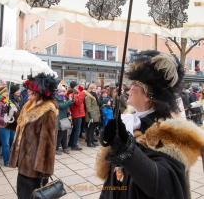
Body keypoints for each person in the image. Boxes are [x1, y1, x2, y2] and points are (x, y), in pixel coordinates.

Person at [96, 50, 200, 199]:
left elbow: (164, 185)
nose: (129, 87)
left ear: (147, 95)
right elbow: (112, 179)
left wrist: (127, 148)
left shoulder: (171, 133)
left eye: (134, 85)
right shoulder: (128, 119)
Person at [8, 73, 58, 199]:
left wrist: (44, 171)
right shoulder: (28, 106)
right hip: (24, 162)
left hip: (35, 168)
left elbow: (48, 144)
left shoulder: (48, 112)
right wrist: (10, 116)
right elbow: (22, 128)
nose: (28, 92)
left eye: (31, 90)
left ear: (40, 92)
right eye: (28, 89)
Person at [0, 86, 15, 167]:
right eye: (6, 92)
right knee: (5, 145)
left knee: (13, 142)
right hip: (3, 127)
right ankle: (7, 161)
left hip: (11, 125)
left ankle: (13, 159)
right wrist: (6, 121)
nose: (7, 93)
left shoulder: (7, 100)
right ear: (1, 93)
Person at [67, 81, 85, 150]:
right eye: (77, 86)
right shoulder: (73, 94)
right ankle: (74, 145)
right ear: (74, 86)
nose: (78, 87)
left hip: (78, 113)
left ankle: (71, 143)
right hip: (76, 114)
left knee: (75, 130)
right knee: (77, 130)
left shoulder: (75, 93)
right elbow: (78, 102)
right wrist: (82, 94)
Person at [55, 86, 73, 155]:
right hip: (59, 118)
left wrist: (71, 101)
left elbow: (67, 105)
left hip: (64, 118)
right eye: (62, 91)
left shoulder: (63, 98)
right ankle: (56, 148)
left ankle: (65, 147)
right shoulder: (55, 99)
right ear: (58, 92)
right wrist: (69, 101)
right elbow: (61, 106)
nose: (63, 92)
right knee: (59, 135)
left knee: (64, 134)